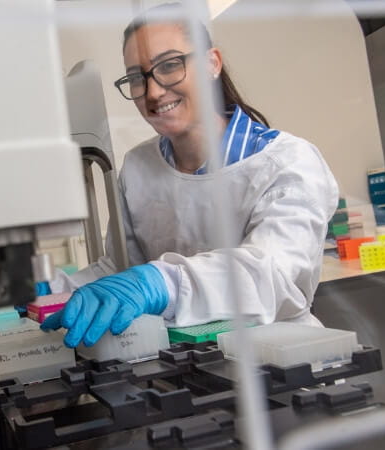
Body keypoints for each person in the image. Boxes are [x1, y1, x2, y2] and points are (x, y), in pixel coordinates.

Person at [40, 3, 339, 349]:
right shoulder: (139, 166)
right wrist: (54, 292)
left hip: (285, 368)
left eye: (170, 66)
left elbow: (272, 277)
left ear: (212, 63)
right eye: (137, 78)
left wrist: (158, 283)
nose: (153, 92)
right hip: (187, 369)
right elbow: (121, 271)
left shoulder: (287, 161)